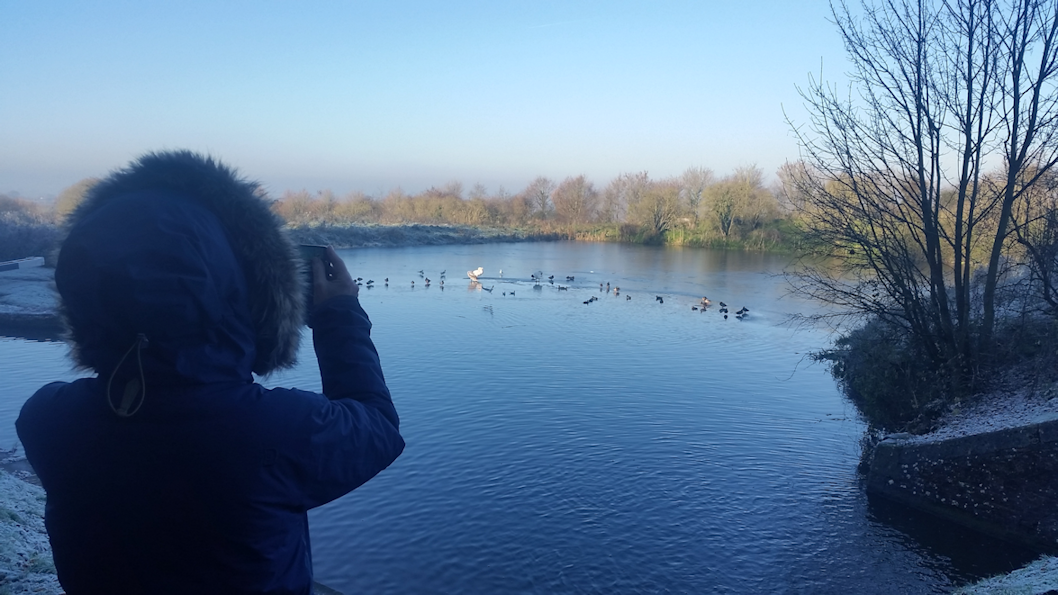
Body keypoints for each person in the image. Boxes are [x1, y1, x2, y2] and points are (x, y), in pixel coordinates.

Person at [16, 151, 404, 594]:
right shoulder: (278, 432)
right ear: (250, 293)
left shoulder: (48, 418)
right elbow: (378, 427)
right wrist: (339, 315)